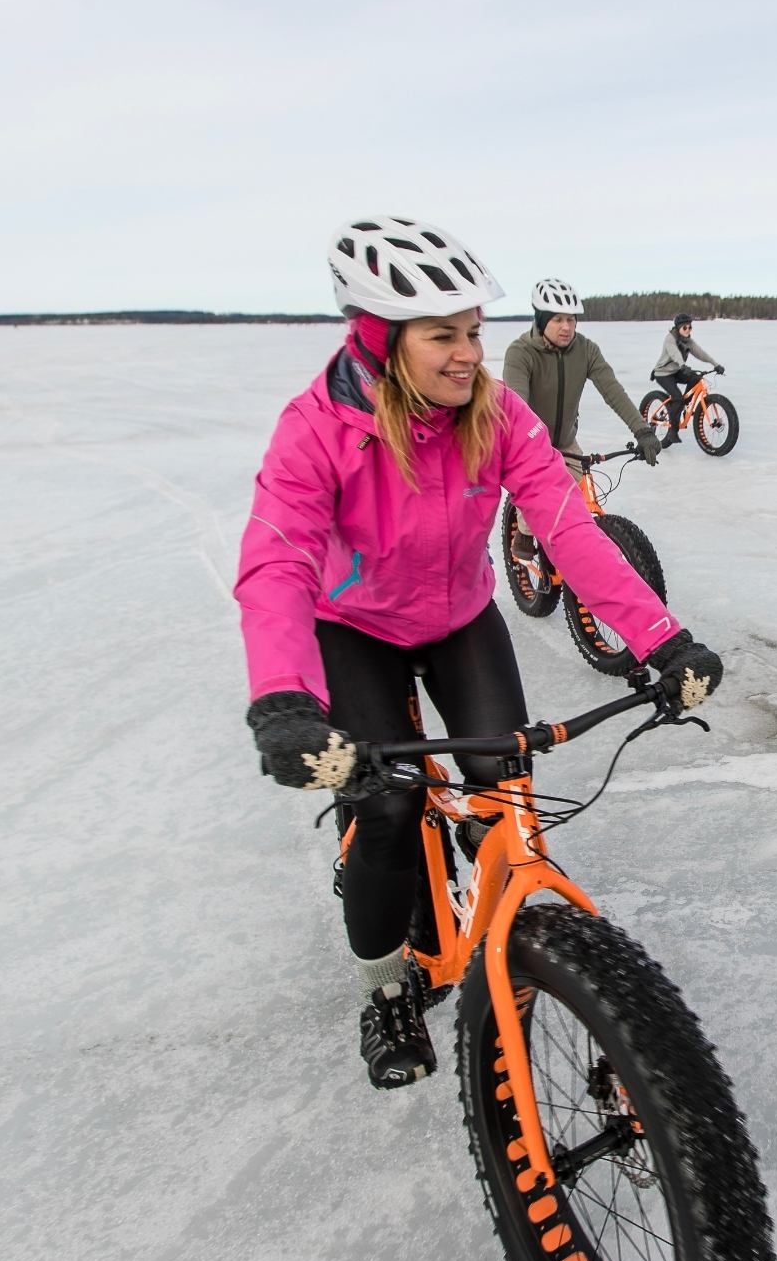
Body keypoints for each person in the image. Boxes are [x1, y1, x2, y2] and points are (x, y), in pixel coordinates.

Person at [236, 216, 725, 1091]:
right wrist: (282, 697)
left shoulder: (494, 415)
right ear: (381, 341)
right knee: (383, 812)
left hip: (460, 618)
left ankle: (528, 948)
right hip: (353, 632)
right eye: (443, 337)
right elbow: (276, 558)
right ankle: (384, 988)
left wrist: (660, 637)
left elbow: (569, 528)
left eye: (473, 332)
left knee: (503, 779)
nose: (468, 355)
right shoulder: (315, 429)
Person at [501, 279, 662, 557]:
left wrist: (642, 430)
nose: (567, 327)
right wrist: (534, 454)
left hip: (566, 442)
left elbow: (613, 391)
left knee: (576, 505)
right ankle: (524, 534)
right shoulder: (521, 353)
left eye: (572, 319)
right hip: (531, 446)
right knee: (536, 501)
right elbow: (517, 408)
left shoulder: (585, 350)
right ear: (541, 320)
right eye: (558, 319)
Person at [649, 312, 723, 445]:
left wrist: (715, 364)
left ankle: (683, 404)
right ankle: (672, 431)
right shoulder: (670, 339)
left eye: (690, 327)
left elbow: (701, 353)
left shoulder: (688, 341)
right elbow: (674, 353)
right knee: (677, 398)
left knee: (695, 378)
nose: (688, 330)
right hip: (663, 373)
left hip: (677, 370)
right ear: (678, 328)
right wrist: (683, 365)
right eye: (685, 328)